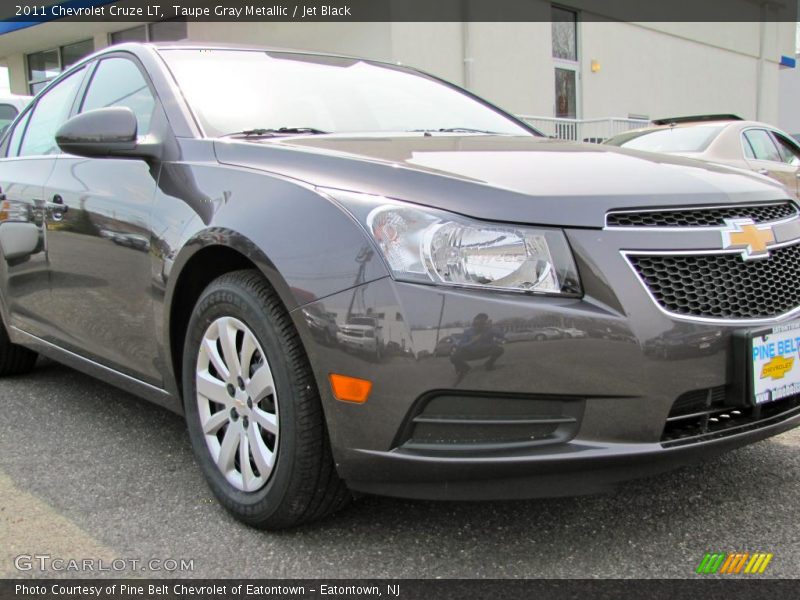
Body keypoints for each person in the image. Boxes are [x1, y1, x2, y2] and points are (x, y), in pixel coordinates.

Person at [450, 313, 504, 382]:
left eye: (483, 323)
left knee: (499, 349)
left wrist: (492, 328)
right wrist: (472, 341)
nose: (480, 326)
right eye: (478, 323)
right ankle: (465, 368)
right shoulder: (468, 331)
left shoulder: (489, 329)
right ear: (474, 323)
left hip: (485, 351)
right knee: (454, 357)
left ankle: (489, 364)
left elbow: (502, 336)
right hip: (471, 353)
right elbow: (461, 345)